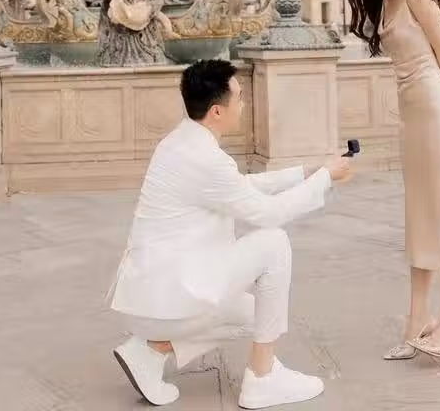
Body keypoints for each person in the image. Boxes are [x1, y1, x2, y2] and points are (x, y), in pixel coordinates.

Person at [108, 59, 354, 408]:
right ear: (217, 111)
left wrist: (308, 173)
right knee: (273, 243)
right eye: (239, 97)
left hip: (149, 299)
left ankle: (149, 352)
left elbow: (238, 186)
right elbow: (269, 214)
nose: (243, 103)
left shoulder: (179, 141)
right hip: (169, 298)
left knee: (258, 317)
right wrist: (326, 179)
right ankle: (262, 379)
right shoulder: (206, 159)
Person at [340, 0, 440, 363]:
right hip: (414, 116)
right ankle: (417, 322)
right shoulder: (386, 1)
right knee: (420, 218)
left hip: (438, 110)